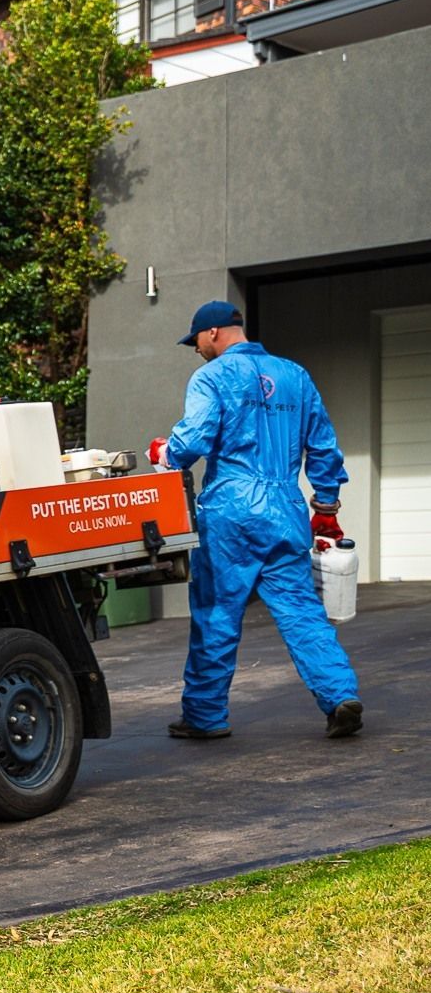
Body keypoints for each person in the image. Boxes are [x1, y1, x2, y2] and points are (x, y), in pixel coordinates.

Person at [147, 300, 363, 741]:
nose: (196, 351)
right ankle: (340, 695)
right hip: (285, 510)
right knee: (302, 611)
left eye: (196, 342)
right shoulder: (295, 376)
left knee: (216, 613)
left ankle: (206, 716)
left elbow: (193, 441)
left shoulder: (212, 376)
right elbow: (323, 446)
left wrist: (164, 453)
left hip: (231, 512)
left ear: (213, 334)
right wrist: (325, 508)